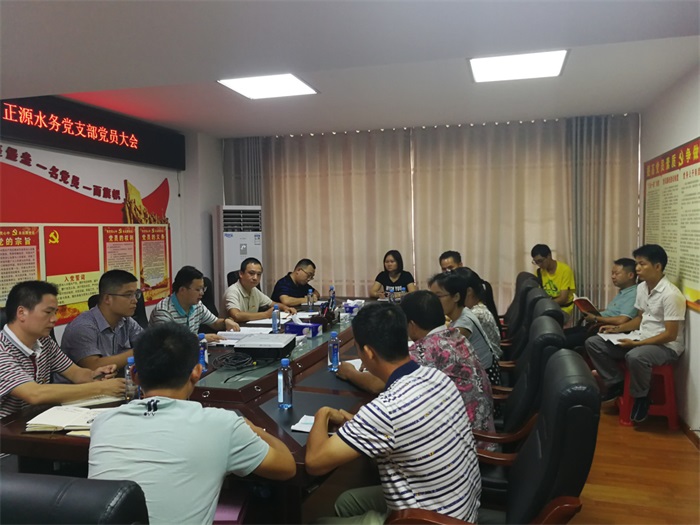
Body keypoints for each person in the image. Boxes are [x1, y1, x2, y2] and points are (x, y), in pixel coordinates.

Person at [88, 323, 296, 525]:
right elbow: (286, 467)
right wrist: (252, 428)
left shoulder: (104, 422)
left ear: (134, 375)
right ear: (197, 372)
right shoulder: (222, 425)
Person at [305, 302, 481, 524]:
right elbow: (404, 430)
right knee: (345, 502)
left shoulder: (386, 410)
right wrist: (359, 425)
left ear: (368, 352)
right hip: (460, 507)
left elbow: (315, 462)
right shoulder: (437, 377)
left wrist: (323, 414)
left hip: (426, 519)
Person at [337, 291, 495, 439]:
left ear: (411, 325)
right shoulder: (454, 336)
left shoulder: (426, 351)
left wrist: (350, 373)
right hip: (480, 429)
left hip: (468, 439)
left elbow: (377, 385)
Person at [585, 244, 686, 423]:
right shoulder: (642, 288)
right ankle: (616, 383)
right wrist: (617, 329)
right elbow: (639, 318)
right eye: (637, 263)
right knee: (594, 343)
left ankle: (642, 397)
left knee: (635, 356)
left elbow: (670, 335)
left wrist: (637, 344)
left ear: (657, 266)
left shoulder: (671, 294)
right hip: (641, 337)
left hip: (665, 347)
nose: (637, 268)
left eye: (642, 264)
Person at [0, 281, 125, 418]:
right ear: (21, 313)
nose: (54, 319)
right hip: (7, 426)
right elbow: (34, 394)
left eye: (55, 312)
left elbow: (75, 373)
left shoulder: (43, 341)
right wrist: (102, 388)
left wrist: (95, 375)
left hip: (35, 419)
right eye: (48, 312)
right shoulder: (2, 349)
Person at [428, 271, 502, 388]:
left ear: (456, 297)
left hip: (483, 381)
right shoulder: (464, 312)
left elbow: (441, 354)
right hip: (474, 373)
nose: (433, 302)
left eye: (438, 296)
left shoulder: (464, 324)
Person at [60, 270, 144, 372]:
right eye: (128, 295)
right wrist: (139, 351)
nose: (135, 300)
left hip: (116, 379)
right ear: (107, 298)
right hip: (84, 382)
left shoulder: (126, 321)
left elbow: (146, 342)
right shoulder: (82, 327)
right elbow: (94, 366)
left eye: (136, 294)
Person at [149, 266, 239, 341]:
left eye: (203, 289)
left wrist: (225, 322)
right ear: (182, 290)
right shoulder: (163, 311)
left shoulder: (197, 305)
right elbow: (170, 343)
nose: (202, 293)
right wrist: (201, 337)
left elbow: (215, 323)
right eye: (197, 289)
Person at [564, 258, 638, 349]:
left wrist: (595, 318)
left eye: (616, 273)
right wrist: (594, 310)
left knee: (562, 340)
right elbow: (613, 312)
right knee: (560, 334)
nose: (613, 277)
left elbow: (622, 320)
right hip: (595, 326)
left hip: (604, 329)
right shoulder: (623, 291)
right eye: (612, 273)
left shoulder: (633, 294)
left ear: (630, 275)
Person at [225, 258, 295, 323]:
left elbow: (272, 304)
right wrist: (265, 314)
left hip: (248, 328)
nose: (255, 278)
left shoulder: (254, 290)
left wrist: (286, 308)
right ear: (241, 274)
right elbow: (236, 315)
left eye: (258, 274)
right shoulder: (232, 291)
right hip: (232, 330)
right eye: (251, 273)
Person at [454, 267, 503, 358]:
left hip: (485, 364)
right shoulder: (475, 308)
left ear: (469, 291)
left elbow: (450, 343)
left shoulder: (477, 314)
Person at [531, 244, 576, 320]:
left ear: (549, 256)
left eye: (540, 261)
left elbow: (563, 299)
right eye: (536, 262)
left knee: (545, 319)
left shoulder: (565, 270)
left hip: (563, 309)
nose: (539, 265)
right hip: (545, 306)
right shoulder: (539, 273)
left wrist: (544, 304)